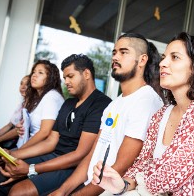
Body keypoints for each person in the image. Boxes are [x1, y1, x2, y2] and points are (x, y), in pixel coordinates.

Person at [91, 32, 194, 195]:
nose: (163, 63)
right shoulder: (160, 115)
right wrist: (121, 184)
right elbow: (142, 164)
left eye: (175, 57)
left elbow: (172, 173)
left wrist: (136, 182)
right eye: (164, 57)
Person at [49, 33, 164, 196]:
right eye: (114, 52)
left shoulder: (146, 101)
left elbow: (121, 166)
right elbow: (92, 155)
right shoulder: (114, 104)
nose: (115, 57)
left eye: (124, 52)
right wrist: (62, 191)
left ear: (142, 60)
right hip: (90, 185)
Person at [0, 54, 112, 196]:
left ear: (86, 73)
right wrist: (13, 154)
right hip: (53, 156)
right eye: (65, 78)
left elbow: (80, 155)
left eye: (70, 76)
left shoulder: (100, 104)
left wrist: (31, 169)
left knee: (18, 192)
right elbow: (51, 141)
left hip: (72, 166)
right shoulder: (68, 103)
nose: (66, 81)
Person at [0, 59, 65, 177]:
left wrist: (16, 152)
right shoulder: (38, 99)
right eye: (34, 72)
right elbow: (19, 126)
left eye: (40, 73)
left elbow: (44, 132)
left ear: (50, 78)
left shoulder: (51, 97)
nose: (34, 75)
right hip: (26, 146)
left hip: (39, 151)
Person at [0, 75, 29, 161]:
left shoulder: (30, 106)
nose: (23, 87)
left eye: (27, 84)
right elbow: (10, 124)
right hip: (9, 139)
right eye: (21, 84)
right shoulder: (21, 104)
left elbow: (18, 131)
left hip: (16, 142)